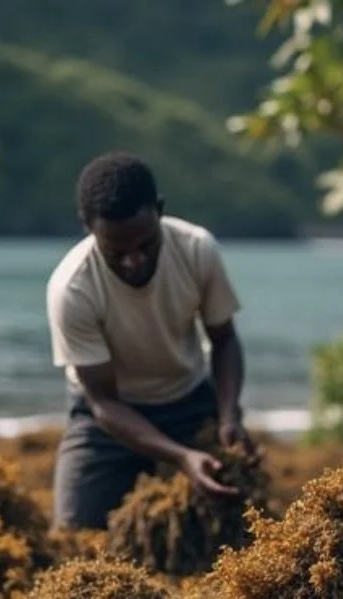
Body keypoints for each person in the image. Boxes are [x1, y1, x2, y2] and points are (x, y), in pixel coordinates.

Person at [46, 151, 252, 530]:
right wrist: (180, 457)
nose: (133, 262)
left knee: (238, 514)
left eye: (146, 245)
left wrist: (228, 415)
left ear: (159, 211)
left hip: (188, 399)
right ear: (87, 226)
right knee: (75, 532)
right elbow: (102, 401)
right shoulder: (71, 289)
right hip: (109, 417)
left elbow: (223, 340)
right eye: (116, 252)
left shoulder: (196, 249)